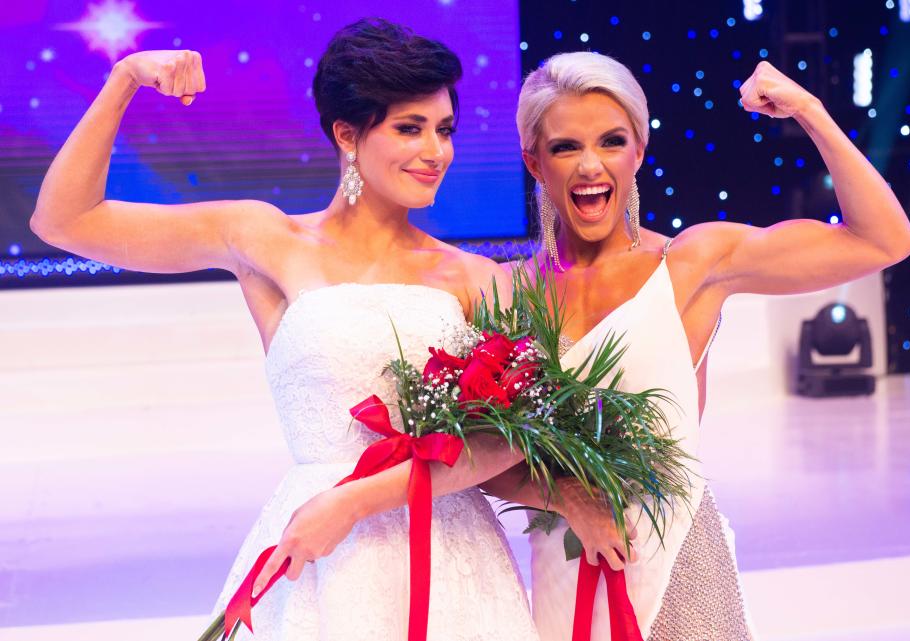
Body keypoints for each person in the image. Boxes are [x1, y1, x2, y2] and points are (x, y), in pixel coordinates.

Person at [30, 18, 540, 641]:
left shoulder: (480, 278)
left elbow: (508, 440)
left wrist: (355, 502)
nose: (436, 152)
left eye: (444, 130)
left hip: (451, 553)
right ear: (347, 135)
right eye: (410, 129)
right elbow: (64, 221)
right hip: (316, 554)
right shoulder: (265, 238)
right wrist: (126, 78)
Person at [481, 52, 910, 640]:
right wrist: (564, 496)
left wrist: (809, 111)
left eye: (612, 141)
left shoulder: (692, 264)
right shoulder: (509, 294)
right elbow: (479, 455)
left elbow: (884, 240)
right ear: (534, 162)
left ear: (639, 150)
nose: (590, 166)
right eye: (565, 147)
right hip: (561, 572)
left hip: (676, 566)